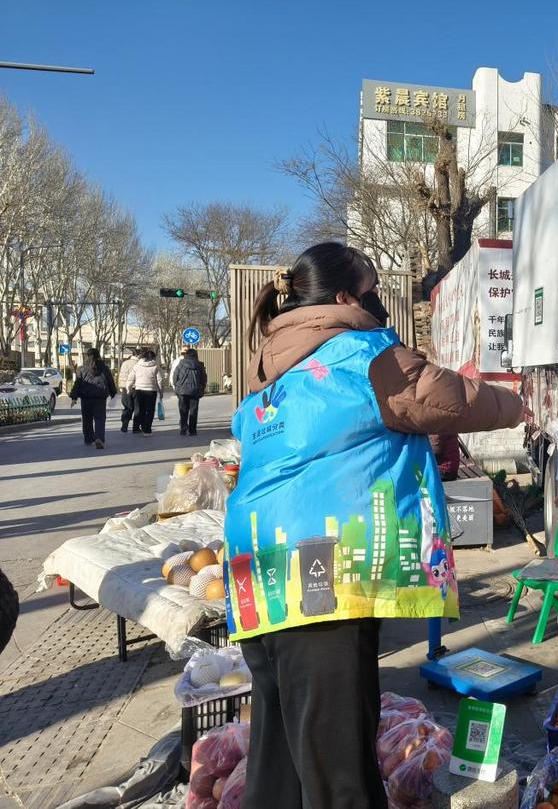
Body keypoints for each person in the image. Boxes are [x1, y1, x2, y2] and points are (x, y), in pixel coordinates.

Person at [224, 242, 522, 808]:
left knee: (281, 749)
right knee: (337, 757)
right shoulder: (366, 356)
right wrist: (517, 405)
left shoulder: (274, 371)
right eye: (373, 289)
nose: (380, 303)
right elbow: (453, 400)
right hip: (319, 566)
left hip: (255, 562)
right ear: (345, 299)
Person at [70, 347, 117, 449]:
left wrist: (74, 397)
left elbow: (77, 384)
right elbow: (110, 382)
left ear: (87, 356)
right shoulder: (105, 368)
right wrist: (114, 394)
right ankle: (99, 438)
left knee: (87, 419)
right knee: (100, 418)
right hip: (100, 398)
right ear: (98, 355)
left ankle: (88, 438)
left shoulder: (81, 369)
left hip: (86, 398)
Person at [172, 348, 207, 436]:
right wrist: (202, 387)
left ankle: (183, 428)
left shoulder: (181, 363)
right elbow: (204, 378)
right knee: (193, 410)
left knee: (183, 410)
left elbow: (175, 376)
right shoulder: (199, 365)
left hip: (182, 390)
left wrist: (176, 386)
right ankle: (192, 430)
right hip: (195, 390)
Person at [128, 349, 163, 435]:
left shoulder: (137, 366)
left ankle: (139, 426)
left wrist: (128, 388)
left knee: (140, 409)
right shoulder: (155, 366)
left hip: (139, 390)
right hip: (151, 391)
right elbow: (160, 380)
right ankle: (147, 430)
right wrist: (161, 392)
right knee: (150, 411)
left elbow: (130, 378)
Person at [117, 347, 142, 432]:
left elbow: (121, 375)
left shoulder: (125, 363)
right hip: (137, 388)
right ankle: (136, 427)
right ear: (138, 355)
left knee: (127, 407)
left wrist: (121, 386)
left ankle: (125, 423)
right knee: (137, 408)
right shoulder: (139, 364)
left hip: (125, 388)